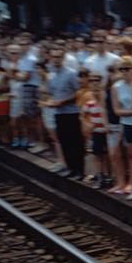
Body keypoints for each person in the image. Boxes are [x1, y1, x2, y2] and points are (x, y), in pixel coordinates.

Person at [44, 47, 84, 179]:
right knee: (64, 140)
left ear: (63, 58)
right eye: (54, 57)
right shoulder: (50, 74)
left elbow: (78, 92)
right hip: (58, 112)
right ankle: (70, 167)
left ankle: (79, 169)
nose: (56, 60)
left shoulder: (71, 73)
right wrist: (50, 102)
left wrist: (64, 101)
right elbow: (50, 93)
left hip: (71, 112)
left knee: (74, 141)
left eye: (59, 57)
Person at [111, 57, 132, 198]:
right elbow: (117, 110)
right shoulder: (116, 87)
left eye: (127, 68)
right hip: (128, 122)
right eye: (121, 69)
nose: (124, 72)